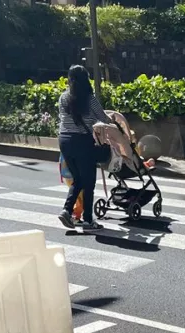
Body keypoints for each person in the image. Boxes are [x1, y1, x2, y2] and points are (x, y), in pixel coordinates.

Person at [57, 64, 112, 231]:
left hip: (64, 140)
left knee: (78, 179)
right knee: (88, 182)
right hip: (82, 142)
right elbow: (103, 119)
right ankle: (88, 220)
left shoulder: (63, 97)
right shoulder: (90, 98)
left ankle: (67, 210)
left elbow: (63, 118)